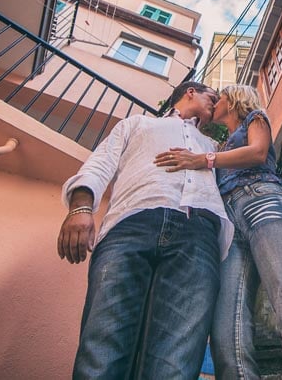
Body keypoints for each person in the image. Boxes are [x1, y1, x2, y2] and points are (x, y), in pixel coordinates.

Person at [154, 84, 282, 379]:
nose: (214, 102)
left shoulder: (255, 118)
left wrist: (204, 160)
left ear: (232, 100)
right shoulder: (220, 146)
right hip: (229, 224)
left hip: (262, 201)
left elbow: (258, 152)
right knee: (227, 337)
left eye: (219, 97)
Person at [57, 81, 233, 380]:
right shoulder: (137, 124)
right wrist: (80, 208)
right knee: (102, 349)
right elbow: (99, 164)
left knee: (175, 365)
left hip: (199, 234)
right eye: (212, 97)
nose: (215, 104)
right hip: (130, 224)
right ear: (190, 92)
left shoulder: (213, 148)